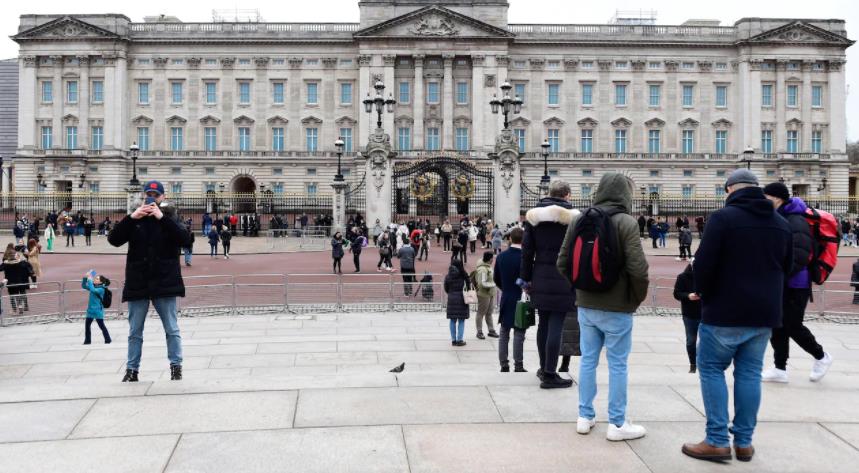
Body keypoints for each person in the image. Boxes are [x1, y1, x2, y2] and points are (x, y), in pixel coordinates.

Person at [682, 170, 792, 462]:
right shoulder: (781, 223)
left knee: (711, 369)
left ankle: (717, 440)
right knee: (749, 374)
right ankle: (744, 442)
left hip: (725, 311)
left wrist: (702, 292)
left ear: (730, 189)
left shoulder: (723, 218)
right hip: (764, 314)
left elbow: (704, 264)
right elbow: (788, 266)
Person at [557, 172, 650, 441]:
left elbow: (562, 263)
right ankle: (617, 423)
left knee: (588, 361)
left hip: (586, 305)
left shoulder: (579, 219)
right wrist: (635, 299)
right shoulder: (627, 222)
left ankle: (584, 416)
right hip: (618, 306)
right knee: (617, 364)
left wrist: (581, 288)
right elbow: (638, 269)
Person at [108, 180, 192, 382]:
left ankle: (176, 366)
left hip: (164, 281)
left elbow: (186, 240)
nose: (152, 198)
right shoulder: (135, 218)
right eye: (148, 194)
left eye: (156, 195)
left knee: (171, 328)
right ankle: (132, 370)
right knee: (134, 331)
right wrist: (131, 218)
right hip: (139, 281)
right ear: (143, 196)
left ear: (163, 197)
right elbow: (114, 240)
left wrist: (162, 218)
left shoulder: (171, 217)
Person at [761, 182, 832, 383]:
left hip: (796, 283)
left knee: (792, 325)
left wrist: (779, 275)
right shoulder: (780, 216)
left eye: (766, 196)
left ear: (777, 198)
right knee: (777, 325)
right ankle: (780, 368)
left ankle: (821, 356)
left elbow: (800, 256)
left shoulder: (795, 219)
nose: (763, 200)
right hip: (784, 281)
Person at [521, 180, 578, 389]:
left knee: (543, 324)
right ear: (567, 195)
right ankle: (550, 373)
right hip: (564, 277)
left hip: (540, 276)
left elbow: (527, 252)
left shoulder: (534, 217)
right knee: (556, 325)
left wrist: (525, 279)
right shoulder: (574, 219)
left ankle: (543, 367)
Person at [494, 227, 527, 372]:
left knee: (504, 332)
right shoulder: (525, 257)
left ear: (510, 239)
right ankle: (518, 365)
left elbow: (496, 278)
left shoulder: (501, 256)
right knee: (519, 333)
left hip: (506, 296)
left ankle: (504, 364)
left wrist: (505, 288)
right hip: (521, 297)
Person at [673, 262, 701, 373]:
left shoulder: (707, 276)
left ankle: (702, 362)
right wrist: (688, 296)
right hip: (689, 314)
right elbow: (676, 293)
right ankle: (693, 364)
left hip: (706, 314)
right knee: (691, 341)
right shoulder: (682, 277)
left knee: (706, 341)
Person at [444, 258, 470, 347]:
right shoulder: (464, 275)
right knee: (461, 320)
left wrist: (451, 293)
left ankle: (453, 340)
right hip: (462, 299)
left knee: (452, 320)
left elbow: (446, 288)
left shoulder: (448, 276)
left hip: (451, 298)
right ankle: (460, 340)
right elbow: (469, 286)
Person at [472, 251, 498, 340]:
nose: (493, 259)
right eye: (492, 258)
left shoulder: (488, 267)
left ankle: (491, 330)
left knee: (489, 313)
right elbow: (482, 283)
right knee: (481, 313)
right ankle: (479, 331)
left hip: (490, 293)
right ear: (490, 259)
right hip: (484, 294)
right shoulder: (482, 269)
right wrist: (493, 284)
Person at [82, 271, 112, 345]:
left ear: (101, 282)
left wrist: (90, 280)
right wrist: (85, 278)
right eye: (95, 278)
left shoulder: (101, 289)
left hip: (98, 311)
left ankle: (108, 340)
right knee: (87, 326)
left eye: (97, 279)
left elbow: (93, 290)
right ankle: (87, 341)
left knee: (101, 326)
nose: (95, 279)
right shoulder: (94, 286)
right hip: (90, 311)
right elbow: (84, 286)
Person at [1, 249, 34, 315]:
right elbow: (30, 268)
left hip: (10, 282)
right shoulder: (22, 262)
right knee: (20, 294)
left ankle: (14, 310)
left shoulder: (5, 264)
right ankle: (21, 306)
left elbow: (0, 268)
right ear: (15, 255)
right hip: (20, 281)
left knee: (12, 296)